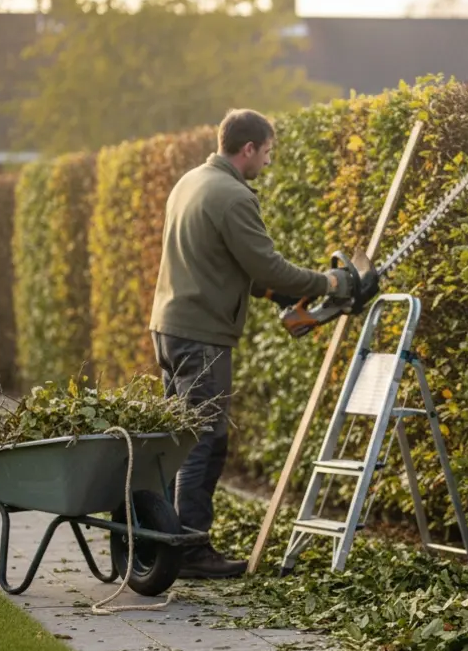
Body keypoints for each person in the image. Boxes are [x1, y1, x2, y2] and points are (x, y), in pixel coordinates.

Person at [148, 108, 355, 579]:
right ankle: (190, 549)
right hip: (202, 335)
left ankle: (164, 539)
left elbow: (222, 262)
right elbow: (267, 266)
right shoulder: (234, 195)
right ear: (248, 149)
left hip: (169, 326)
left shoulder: (190, 182)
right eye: (266, 152)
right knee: (204, 440)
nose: (268, 161)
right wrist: (330, 283)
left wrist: (277, 295)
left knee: (178, 440)